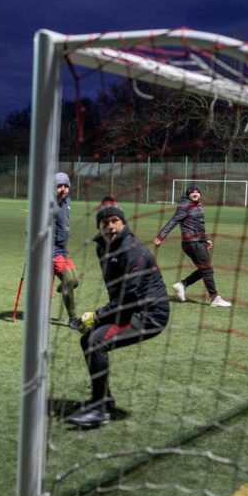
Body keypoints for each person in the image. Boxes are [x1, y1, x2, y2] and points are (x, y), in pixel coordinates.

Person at [67, 197, 170, 429]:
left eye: (115, 221)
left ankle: (101, 411)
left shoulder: (134, 252)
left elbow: (129, 298)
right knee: (88, 340)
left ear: (123, 223)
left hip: (149, 313)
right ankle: (102, 400)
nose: (110, 226)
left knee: (95, 341)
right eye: (104, 222)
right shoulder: (102, 246)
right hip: (130, 309)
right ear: (98, 227)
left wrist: (97, 315)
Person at [153, 182, 232, 307]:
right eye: (192, 192)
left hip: (198, 241)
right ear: (188, 194)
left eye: (197, 192)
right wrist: (160, 236)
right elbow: (173, 221)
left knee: (204, 269)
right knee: (207, 270)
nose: (195, 194)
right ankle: (214, 298)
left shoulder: (198, 205)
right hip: (192, 242)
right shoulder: (185, 206)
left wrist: (207, 239)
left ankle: (182, 285)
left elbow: (199, 225)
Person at [53, 172, 81, 329]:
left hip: (64, 249)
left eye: (65, 186)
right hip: (51, 250)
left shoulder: (67, 201)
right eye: (59, 186)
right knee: (69, 280)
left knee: (74, 281)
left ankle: (64, 286)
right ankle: (72, 318)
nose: (63, 189)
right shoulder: (49, 203)